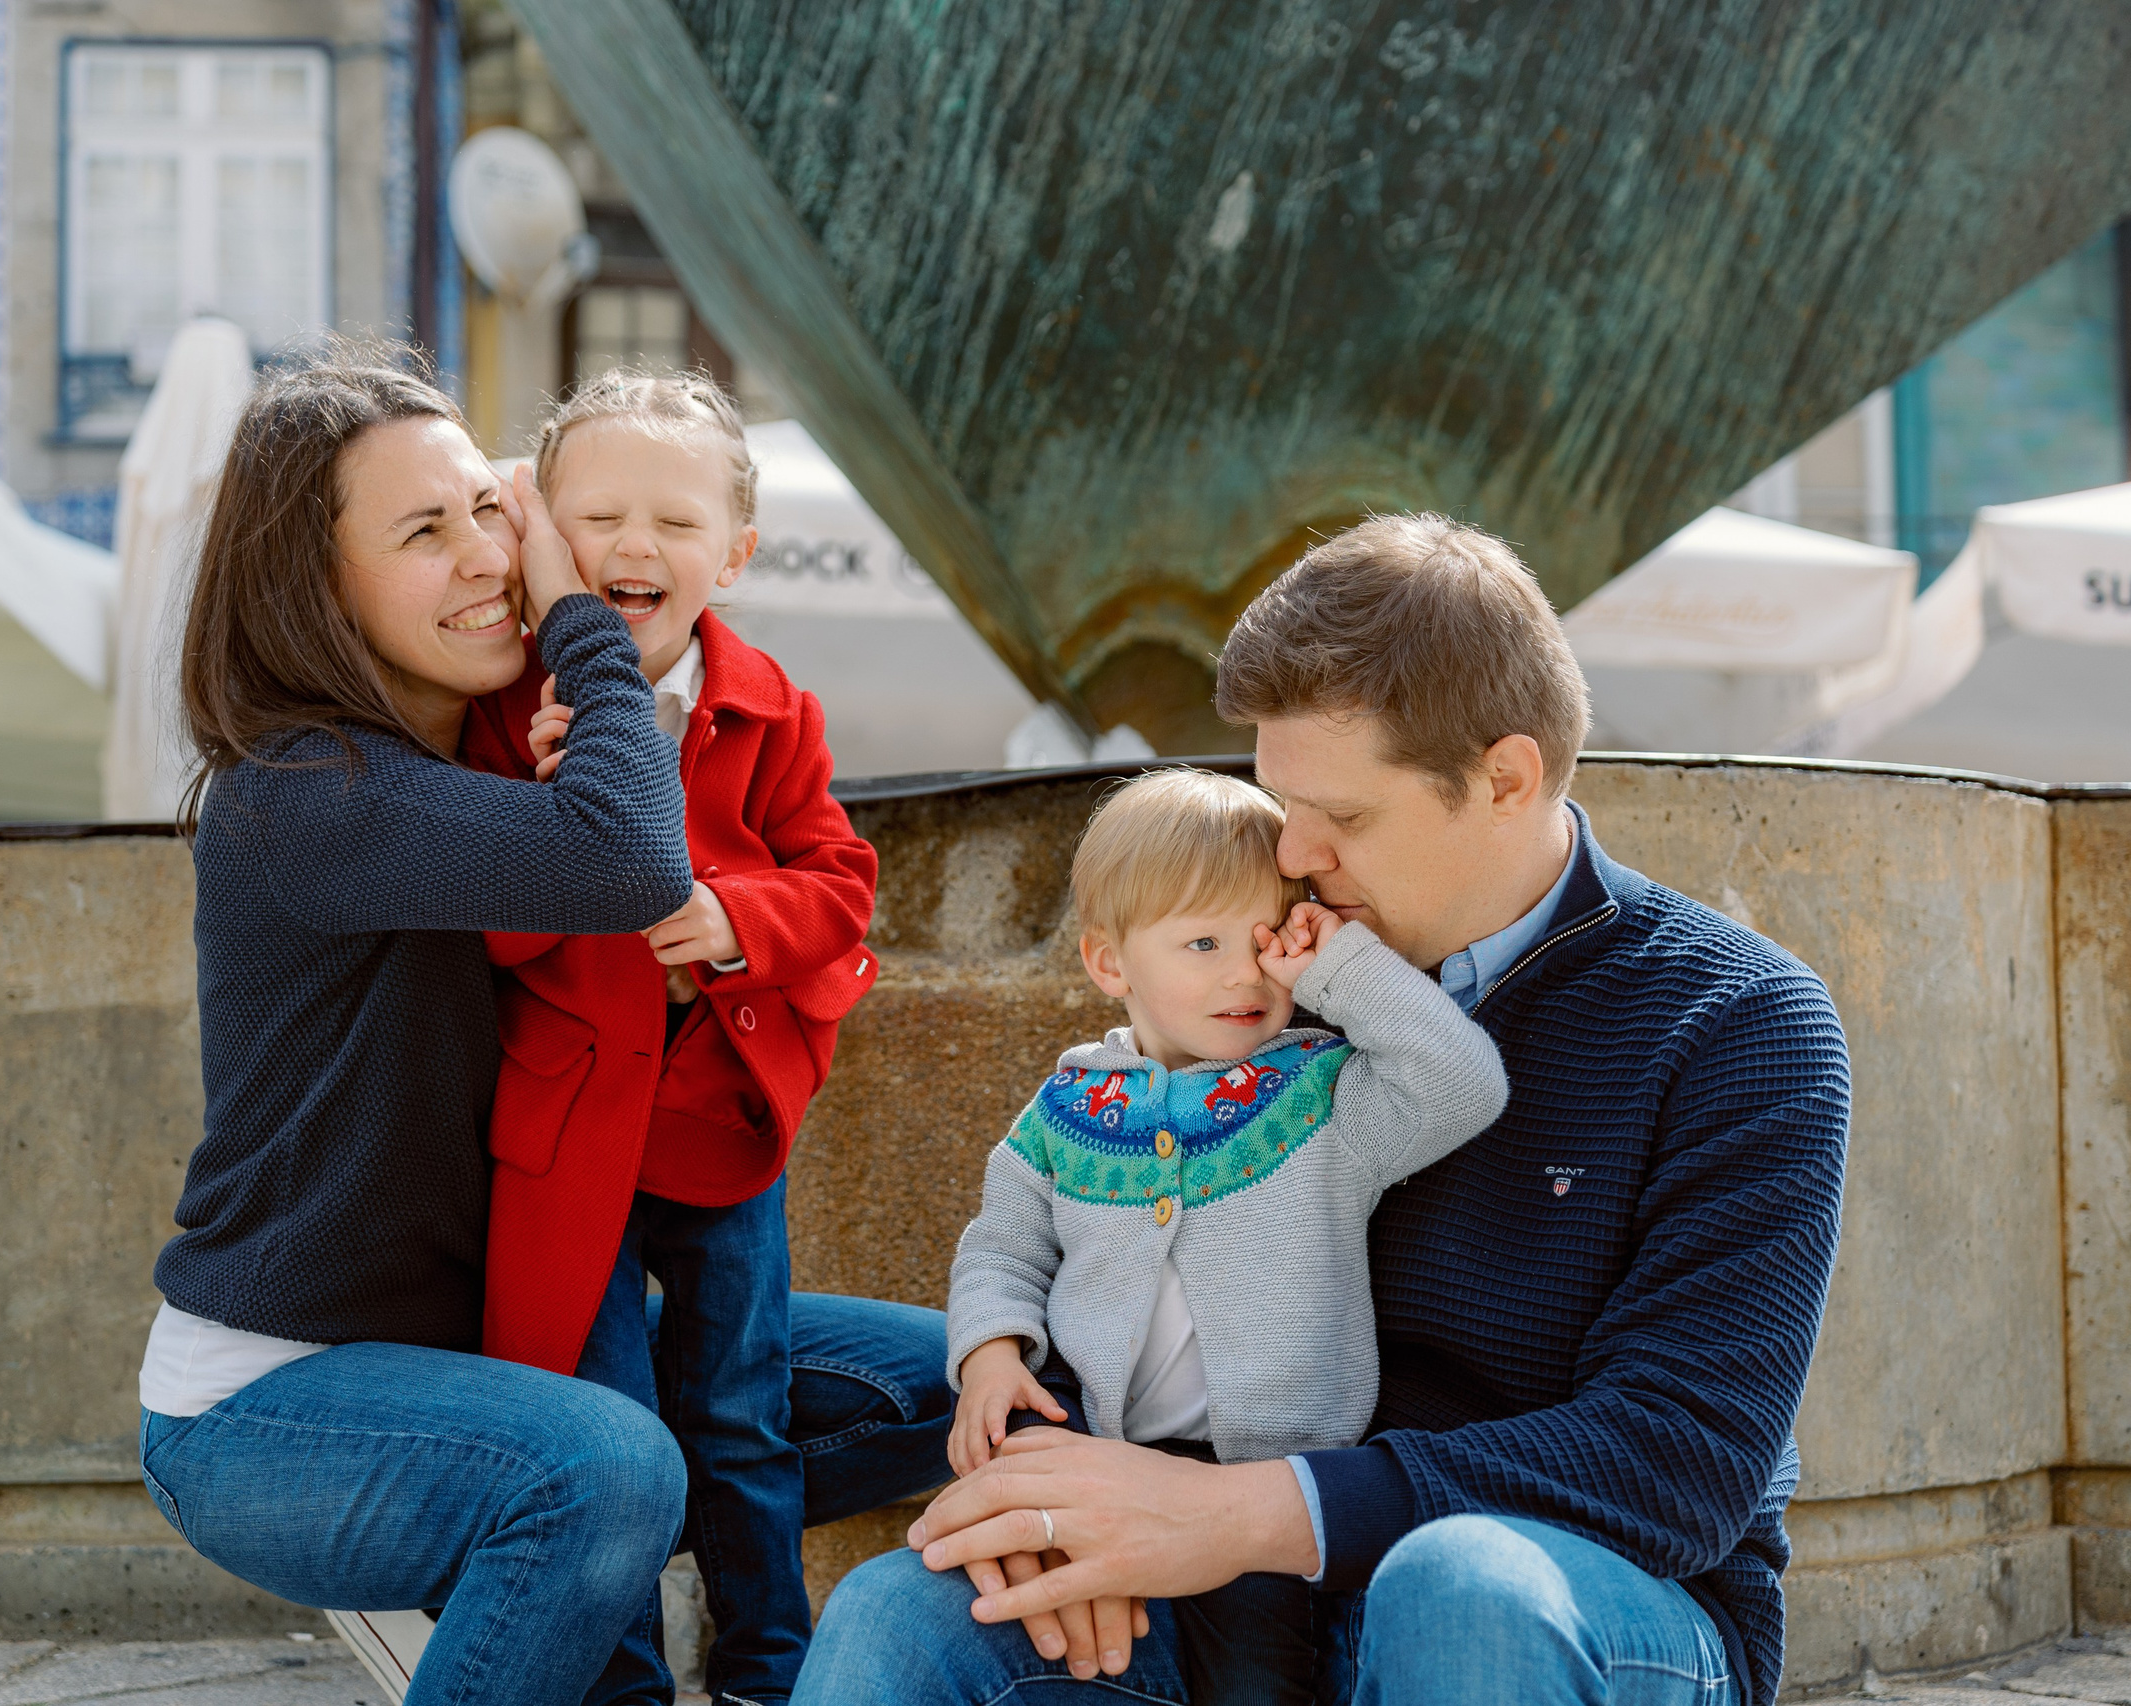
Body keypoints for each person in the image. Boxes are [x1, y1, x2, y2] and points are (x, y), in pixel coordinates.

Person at [797, 514, 1852, 1706]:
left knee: (1458, 1587)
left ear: (1504, 778)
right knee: (904, 1612)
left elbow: (1679, 1465)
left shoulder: (1736, 1019)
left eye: (1341, 819)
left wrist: (1237, 1514)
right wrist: (1079, 1490)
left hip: (1581, 1600)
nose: (1291, 852)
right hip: (1234, 1594)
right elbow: (1115, 1256)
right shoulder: (1263, 982)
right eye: (1278, 797)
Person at [129, 349, 951, 1706]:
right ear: (316, 584)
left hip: (511, 1334)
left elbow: (761, 868)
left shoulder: (478, 759)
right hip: (280, 1398)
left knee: (945, 1381)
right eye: (420, 531)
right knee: (608, 1464)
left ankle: (553, 1563)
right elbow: (630, 856)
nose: (485, 558)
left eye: (488, 512)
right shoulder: (307, 793)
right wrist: (582, 617)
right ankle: (551, 1549)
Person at [460, 369, 877, 1706]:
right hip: (569, 1134)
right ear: (539, 537)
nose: (636, 549)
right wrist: (548, 811)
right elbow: (489, 937)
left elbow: (840, 888)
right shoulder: (499, 709)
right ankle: (626, 1681)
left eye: (676, 523)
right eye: (598, 519)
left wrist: (730, 916)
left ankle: (770, 1669)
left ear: (736, 554)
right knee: (612, 1434)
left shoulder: (771, 707)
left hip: (718, 1125)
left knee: (741, 1419)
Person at [943, 768, 1509, 1705]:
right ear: (1110, 964)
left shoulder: (1323, 1097)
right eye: (1201, 943)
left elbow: (1462, 1083)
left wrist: (1340, 966)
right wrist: (992, 1354)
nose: (1244, 973)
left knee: (1257, 1684)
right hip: (1105, 1458)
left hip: (1267, 1489)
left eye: (1265, 942)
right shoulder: (1068, 1108)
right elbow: (1002, 1243)